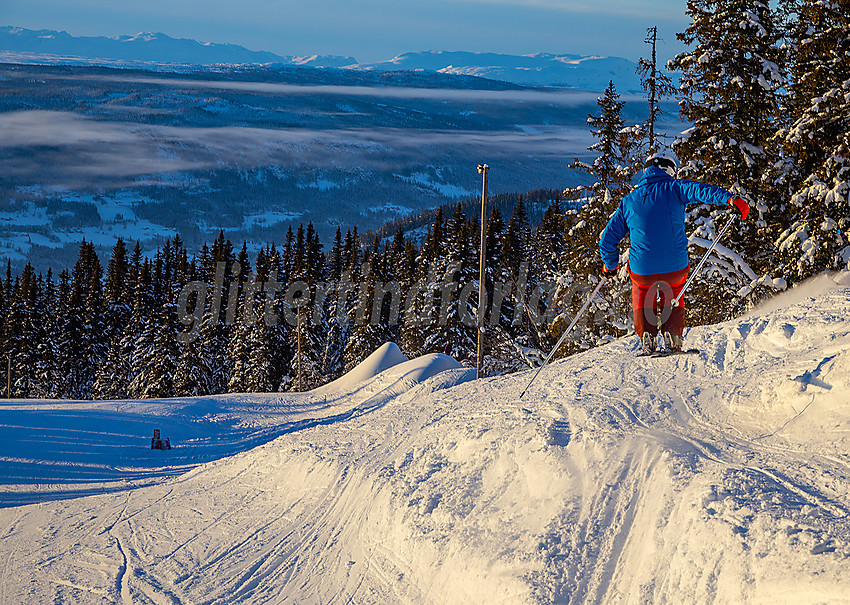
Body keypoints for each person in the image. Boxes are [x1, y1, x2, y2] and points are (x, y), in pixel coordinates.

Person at [599, 151, 750, 353]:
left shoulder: (629, 201)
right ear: (669, 170)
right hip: (676, 267)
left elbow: (607, 239)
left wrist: (611, 266)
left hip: (643, 270)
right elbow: (701, 190)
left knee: (642, 290)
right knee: (675, 290)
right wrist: (730, 200)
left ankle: (647, 337)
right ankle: (674, 336)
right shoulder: (675, 188)